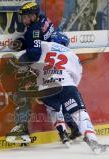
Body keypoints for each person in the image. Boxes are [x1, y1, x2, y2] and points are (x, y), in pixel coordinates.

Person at [6, 2, 80, 145]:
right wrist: (23, 42)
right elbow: (41, 41)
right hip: (59, 66)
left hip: (47, 68)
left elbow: (35, 53)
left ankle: (22, 130)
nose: (23, 20)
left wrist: (18, 60)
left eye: (25, 17)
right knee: (59, 97)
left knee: (23, 90)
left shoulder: (34, 28)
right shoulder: (43, 20)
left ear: (33, 16)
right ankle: (73, 127)